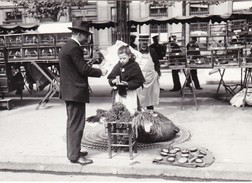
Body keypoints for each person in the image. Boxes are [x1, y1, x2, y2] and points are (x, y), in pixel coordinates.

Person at [59, 20, 107, 165]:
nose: (87, 39)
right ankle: (74, 156)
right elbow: (83, 70)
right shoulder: (74, 48)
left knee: (73, 123)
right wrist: (101, 71)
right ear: (79, 34)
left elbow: (76, 68)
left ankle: (74, 151)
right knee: (76, 125)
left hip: (70, 91)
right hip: (75, 92)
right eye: (86, 35)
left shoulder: (68, 46)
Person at [107, 45, 145, 114]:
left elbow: (138, 81)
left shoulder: (134, 66)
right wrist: (113, 81)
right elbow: (110, 77)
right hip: (119, 94)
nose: (122, 60)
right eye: (120, 58)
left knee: (131, 112)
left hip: (130, 94)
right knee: (119, 112)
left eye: (124, 58)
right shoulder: (118, 65)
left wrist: (128, 84)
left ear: (129, 56)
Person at [137, 35, 160, 110]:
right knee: (140, 96)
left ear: (148, 41)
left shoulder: (152, 50)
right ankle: (140, 114)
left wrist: (157, 72)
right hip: (139, 78)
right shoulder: (136, 51)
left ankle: (150, 113)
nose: (144, 42)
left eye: (146, 41)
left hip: (151, 78)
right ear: (139, 41)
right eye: (142, 41)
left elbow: (157, 63)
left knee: (150, 96)